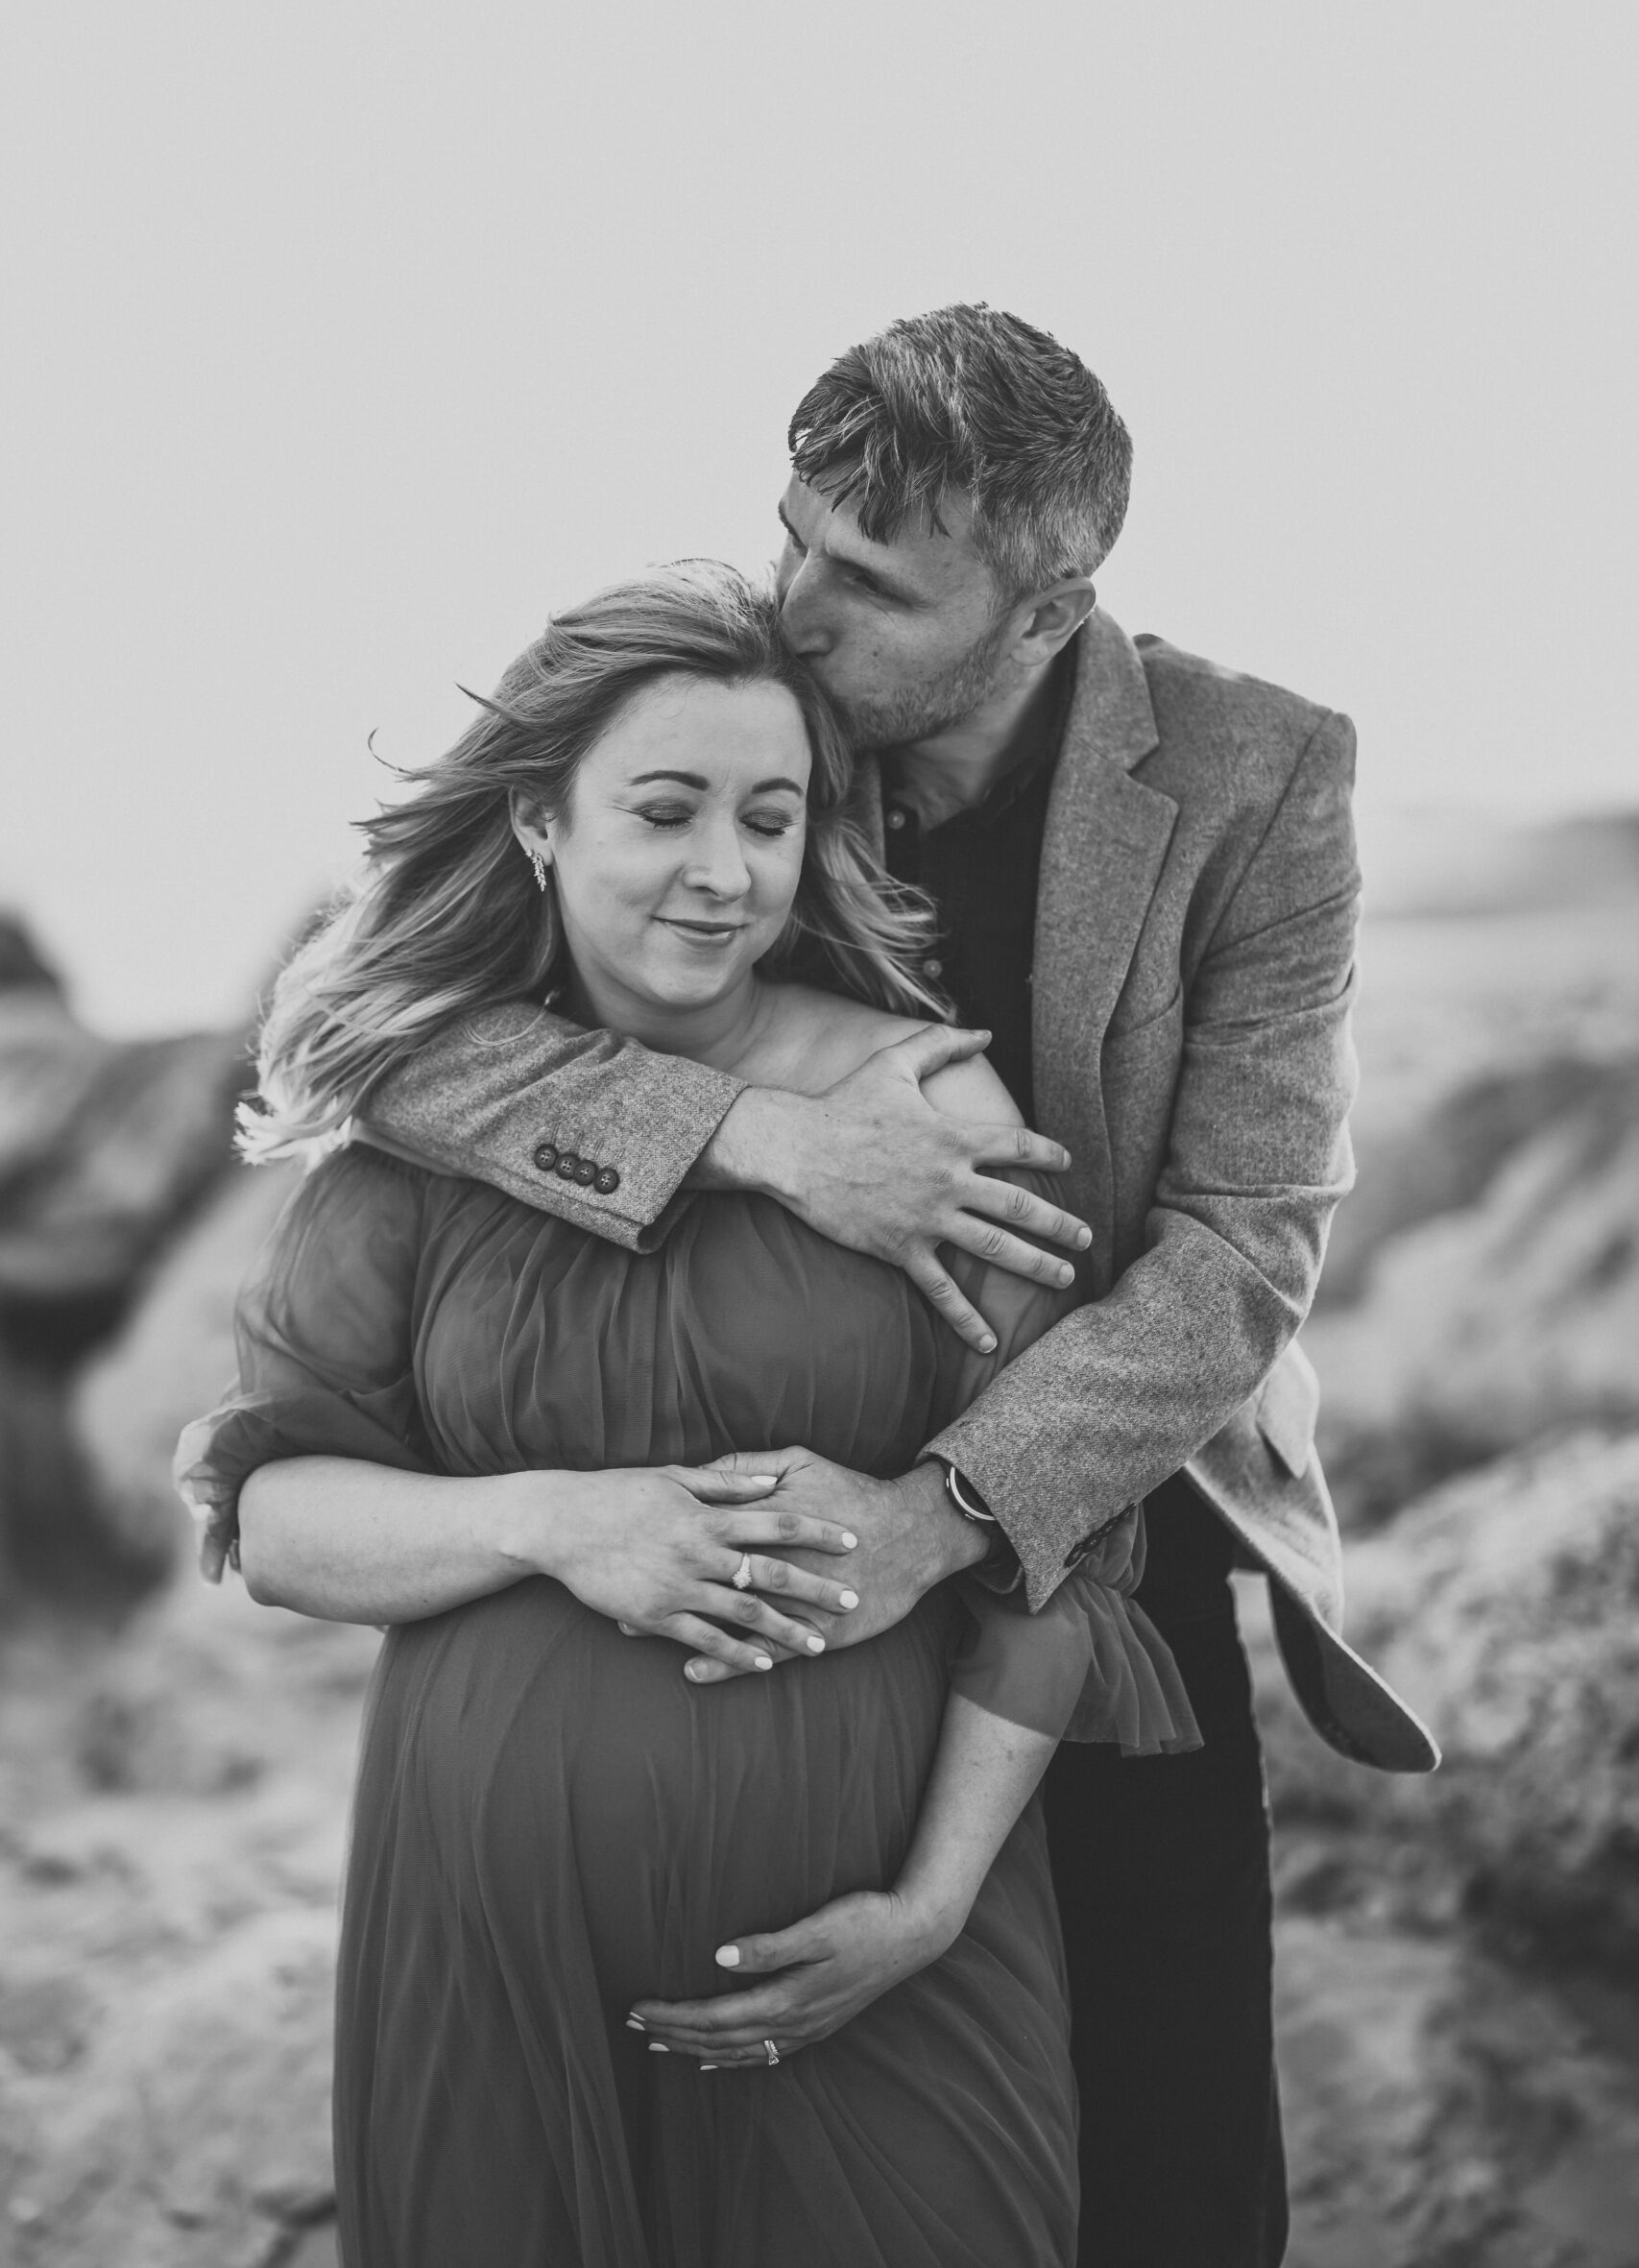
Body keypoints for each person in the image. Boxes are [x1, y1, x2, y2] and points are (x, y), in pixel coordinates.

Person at [360, 304, 1438, 2268]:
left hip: (1097, 1511)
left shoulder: (1261, 771)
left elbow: (1236, 1253)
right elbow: (387, 1036)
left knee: (1173, 2171)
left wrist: (939, 1517)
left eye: (867, 579)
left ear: (1044, 607)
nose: (796, 603)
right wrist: (767, 1143)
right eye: (790, 533)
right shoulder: (722, 705)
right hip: (738, 1514)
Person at [176, 564, 1198, 2268]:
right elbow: (275, 1518)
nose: (726, 873)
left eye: (772, 817)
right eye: (666, 810)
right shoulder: (429, 1129)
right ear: (538, 823)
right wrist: (556, 1520)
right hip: (488, 1961)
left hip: (882, 1964)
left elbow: (1062, 1535)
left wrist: (931, 1905)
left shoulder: (934, 1105)